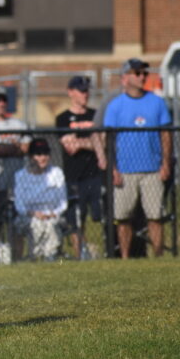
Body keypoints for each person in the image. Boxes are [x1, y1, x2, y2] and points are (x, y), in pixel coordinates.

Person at [103, 59, 173, 258]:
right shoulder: (116, 106)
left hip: (152, 170)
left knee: (155, 217)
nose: (142, 77)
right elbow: (109, 140)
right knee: (123, 218)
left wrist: (165, 163)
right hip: (125, 171)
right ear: (125, 77)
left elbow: (165, 135)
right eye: (137, 73)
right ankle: (125, 258)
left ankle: (158, 257)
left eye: (144, 73)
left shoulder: (157, 102)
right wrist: (113, 169)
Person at [55, 75, 102, 260]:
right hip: (74, 176)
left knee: (101, 216)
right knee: (76, 219)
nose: (85, 94)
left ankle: (107, 251)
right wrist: (92, 142)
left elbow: (104, 142)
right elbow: (70, 147)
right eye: (81, 91)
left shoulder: (95, 115)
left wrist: (82, 141)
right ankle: (79, 256)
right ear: (71, 92)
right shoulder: (63, 118)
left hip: (96, 174)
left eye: (87, 90)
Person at [0, 89, 30, 262]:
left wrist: (7, 148)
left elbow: (26, 148)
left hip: (17, 184)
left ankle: (17, 258)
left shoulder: (18, 124)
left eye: (3, 99)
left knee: (17, 223)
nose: (1, 103)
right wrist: (15, 146)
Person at [12, 138, 68, 261]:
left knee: (50, 224)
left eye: (45, 154)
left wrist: (54, 213)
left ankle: (49, 257)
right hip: (29, 215)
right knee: (35, 224)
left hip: (52, 214)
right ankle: (35, 256)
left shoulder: (56, 173)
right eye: (38, 154)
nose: (42, 158)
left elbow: (63, 202)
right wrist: (33, 213)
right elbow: (19, 204)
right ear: (30, 157)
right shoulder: (20, 175)